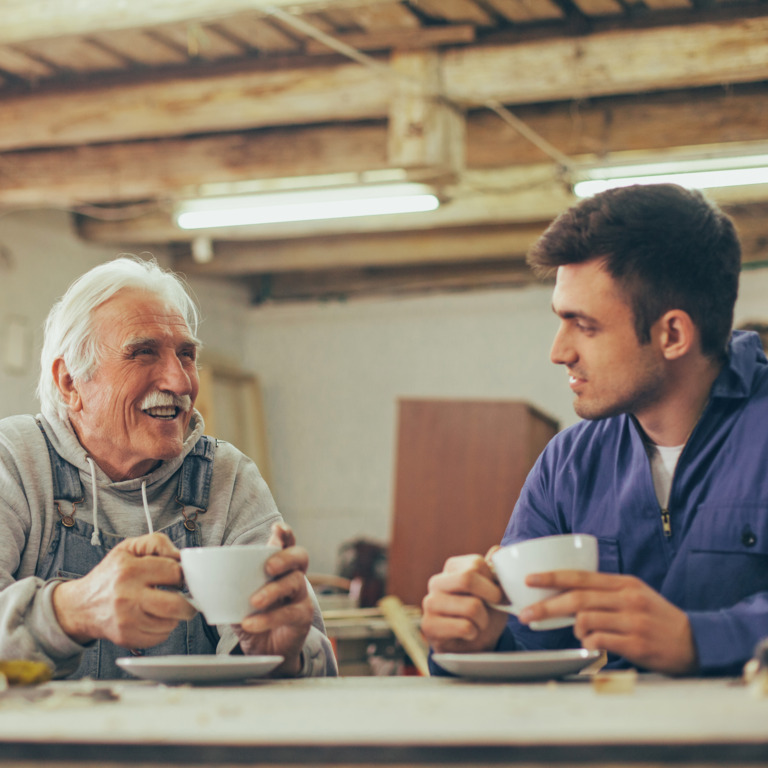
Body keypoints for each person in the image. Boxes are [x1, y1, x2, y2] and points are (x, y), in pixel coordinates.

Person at [422, 183, 768, 677]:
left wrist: (697, 639)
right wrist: (476, 641)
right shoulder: (567, 465)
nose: (559, 352)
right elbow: (534, 654)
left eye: (584, 325)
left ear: (672, 334)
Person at [0, 256, 337, 679]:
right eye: (143, 353)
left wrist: (280, 656)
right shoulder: (13, 462)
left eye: (186, 355)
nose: (180, 383)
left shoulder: (225, 478)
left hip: (191, 741)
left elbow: (314, 668)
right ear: (70, 383)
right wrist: (74, 610)